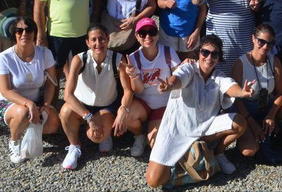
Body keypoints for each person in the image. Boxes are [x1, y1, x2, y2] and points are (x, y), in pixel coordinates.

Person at [145, 35, 257, 187]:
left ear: (219, 58)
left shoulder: (219, 76)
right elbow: (177, 78)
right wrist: (169, 86)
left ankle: (217, 153)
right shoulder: (188, 68)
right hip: (178, 130)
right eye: (205, 52)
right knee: (153, 180)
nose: (209, 57)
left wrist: (242, 93)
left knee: (239, 123)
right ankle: (197, 164)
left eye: (214, 54)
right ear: (198, 53)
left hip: (205, 128)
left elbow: (230, 87)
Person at [34, 0, 108, 103]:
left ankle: (80, 112)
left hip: (82, 34)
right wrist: (41, 35)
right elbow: (38, 7)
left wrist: (95, 17)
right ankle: (50, 113)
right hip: (56, 35)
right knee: (54, 76)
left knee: (82, 75)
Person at [59, 23, 132, 170]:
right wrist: (89, 118)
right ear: (87, 42)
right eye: (93, 40)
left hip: (106, 105)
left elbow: (128, 90)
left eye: (102, 39)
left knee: (96, 137)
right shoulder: (79, 59)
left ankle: (105, 132)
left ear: (108, 40)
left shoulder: (118, 59)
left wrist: (124, 109)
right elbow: (67, 95)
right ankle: (74, 146)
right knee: (65, 111)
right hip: (82, 103)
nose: (98, 43)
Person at [231, 23, 282, 159]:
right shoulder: (240, 64)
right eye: (262, 41)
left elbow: (280, 93)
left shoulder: (274, 61)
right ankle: (257, 137)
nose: (265, 47)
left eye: (270, 43)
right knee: (249, 151)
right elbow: (236, 99)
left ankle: (273, 134)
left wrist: (271, 115)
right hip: (247, 110)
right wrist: (252, 124)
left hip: (267, 104)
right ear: (253, 38)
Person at [0, 17, 61, 164]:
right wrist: (28, 103)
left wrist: (47, 104)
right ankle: (14, 142)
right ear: (14, 34)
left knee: (53, 123)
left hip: (36, 100)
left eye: (28, 29)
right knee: (23, 112)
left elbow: (51, 83)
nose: (24, 33)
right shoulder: (4, 58)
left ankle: (27, 126)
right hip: (9, 102)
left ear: (34, 33)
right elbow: (5, 91)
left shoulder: (44, 53)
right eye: (19, 30)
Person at [122, 19, 181, 158]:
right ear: (136, 36)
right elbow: (139, 90)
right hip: (143, 102)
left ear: (158, 34)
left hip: (163, 103)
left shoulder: (168, 52)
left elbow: (179, 75)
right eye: (142, 33)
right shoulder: (133, 58)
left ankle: (150, 133)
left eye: (152, 32)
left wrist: (169, 85)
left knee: (155, 144)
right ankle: (139, 135)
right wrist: (134, 76)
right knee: (127, 116)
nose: (148, 37)